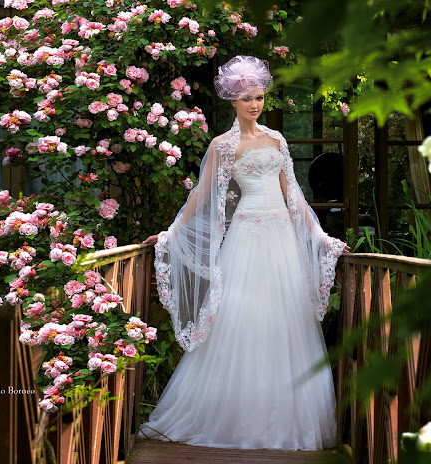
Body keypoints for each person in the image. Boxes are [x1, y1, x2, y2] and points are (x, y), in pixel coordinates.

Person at [138, 55, 350, 451]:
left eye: (259, 97)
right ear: (233, 101)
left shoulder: (277, 140)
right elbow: (201, 195)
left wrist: (320, 237)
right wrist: (170, 232)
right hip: (247, 237)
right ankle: (235, 415)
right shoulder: (223, 145)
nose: (254, 104)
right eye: (246, 98)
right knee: (240, 317)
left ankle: (283, 416)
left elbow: (294, 197)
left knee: (284, 322)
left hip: (281, 239)